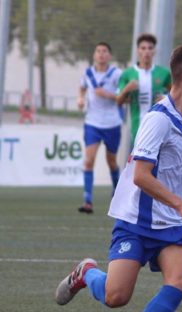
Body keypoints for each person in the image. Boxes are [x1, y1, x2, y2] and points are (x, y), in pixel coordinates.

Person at [55, 44, 182, 312]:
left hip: (174, 225)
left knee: (180, 280)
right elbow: (141, 176)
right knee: (116, 297)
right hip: (138, 220)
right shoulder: (158, 119)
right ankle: (87, 273)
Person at [77, 42, 123, 214]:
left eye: (104, 51)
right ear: (94, 55)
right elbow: (81, 89)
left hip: (112, 123)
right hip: (92, 122)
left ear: (109, 56)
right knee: (89, 160)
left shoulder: (116, 74)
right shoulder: (88, 73)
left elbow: (123, 96)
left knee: (111, 161)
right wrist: (80, 99)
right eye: (98, 51)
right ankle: (87, 201)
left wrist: (109, 95)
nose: (101, 54)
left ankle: (117, 192)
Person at [117, 33, 172, 146]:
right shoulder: (128, 74)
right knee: (138, 160)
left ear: (154, 51)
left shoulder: (164, 73)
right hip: (137, 126)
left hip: (159, 125)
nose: (147, 51)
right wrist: (126, 89)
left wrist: (166, 99)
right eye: (143, 48)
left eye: (150, 48)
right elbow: (118, 102)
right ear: (138, 50)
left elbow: (177, 97)